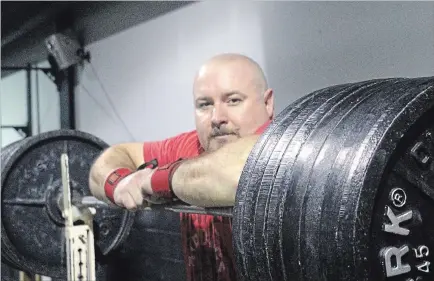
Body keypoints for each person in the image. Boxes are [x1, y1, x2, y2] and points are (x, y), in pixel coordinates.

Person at [88, 53, 275, 281]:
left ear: (267, 103)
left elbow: (239, 172)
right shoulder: (190, 147)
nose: (217, 117)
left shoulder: (285, 147)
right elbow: (111, 159)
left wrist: (152, 181)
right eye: (205, 105)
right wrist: (119, 182)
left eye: (233, 100)